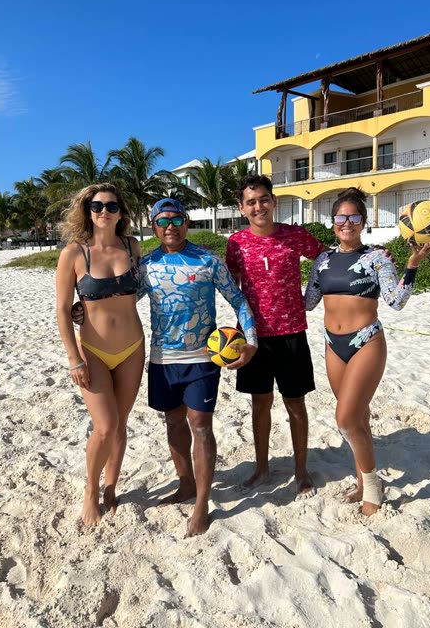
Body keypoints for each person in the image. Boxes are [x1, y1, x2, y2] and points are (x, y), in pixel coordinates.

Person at [303, 187, 430, 515]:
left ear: (364, 222)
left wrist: (412, 265)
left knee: (346, 419)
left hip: (367, 342)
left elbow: (396, 301)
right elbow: (307, 303)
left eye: (354, 217)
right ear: (332, 221)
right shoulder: (323, 261)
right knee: (359, 416)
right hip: (332, 346)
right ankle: (363, 482)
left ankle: (373, 489)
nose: (347, 222)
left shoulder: (377, 258)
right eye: (341, 217)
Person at [137, 197, 258, 537]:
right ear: (154, 227)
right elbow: (121, 302)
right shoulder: (147, 266)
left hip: (202, 358)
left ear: (187, 223)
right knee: (173, 422)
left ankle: (202, 503)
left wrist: (251, 343)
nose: (170, 226)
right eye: (163, 221)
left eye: (177, 219)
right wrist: (82, 311)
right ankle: (186, 484)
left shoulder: (207, 260)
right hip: (162, 359)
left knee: (200, 425)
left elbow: (238, 299)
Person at [225, 174, 325, 496]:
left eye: (263, 199)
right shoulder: (236, 243)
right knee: (260, 405)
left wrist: (312, 296)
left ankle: (301, 471)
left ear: (273, 201)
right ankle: (262, 468)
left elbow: (326, 260)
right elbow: (232, 289)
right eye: (251, 202)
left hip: (292, 332)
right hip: (253, 338)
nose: (259, 206)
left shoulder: (294, 236)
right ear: (242, 208)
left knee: (296, 405)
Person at [54, 183, 145, 526]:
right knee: (104, 427)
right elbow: (63, 311)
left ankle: (111, 486)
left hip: (133, 348)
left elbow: (147, 289)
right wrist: (73, 358)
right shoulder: (74, 254)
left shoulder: (133, 246)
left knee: (120, 425)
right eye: (96, 206)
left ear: (121, 212)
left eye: (111, 206)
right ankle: (90, 492)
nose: (103, 211)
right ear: (87, 211)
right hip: (91, 351)